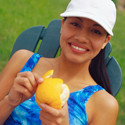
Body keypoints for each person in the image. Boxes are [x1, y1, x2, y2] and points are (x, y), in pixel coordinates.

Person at [0, 0, 119, 124]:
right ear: (62, 25)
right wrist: (10, 102)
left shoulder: (104, 104)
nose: (81, 38)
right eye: (75, 24)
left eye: (96, 31)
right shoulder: (23, 61)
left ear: (105, 41)